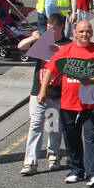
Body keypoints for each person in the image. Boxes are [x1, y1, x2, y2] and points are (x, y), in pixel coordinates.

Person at [41, 19, 94, 187]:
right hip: (68, 105)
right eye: (81, 31)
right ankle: (76, 171)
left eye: (87, 31)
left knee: (92, 139)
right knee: (71, 140)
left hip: (91, 105)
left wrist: (92, 81)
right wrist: (42, 91)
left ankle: (93, 174)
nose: (84, 34)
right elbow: (51, 69)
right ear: (74, 33)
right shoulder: (66, 50)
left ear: (92, 33)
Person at [18, 13, 68, 175]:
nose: (50, 31)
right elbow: (21, 47)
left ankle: (53, 154)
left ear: (61, 28)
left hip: (57, 92)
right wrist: (33, 38)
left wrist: (58, 51)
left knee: (54, 125)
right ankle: (30, 161)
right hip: (38, 91)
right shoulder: (42, 42)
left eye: (53, 29)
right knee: (36, 124)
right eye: (48, 28)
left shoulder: (67, 44)